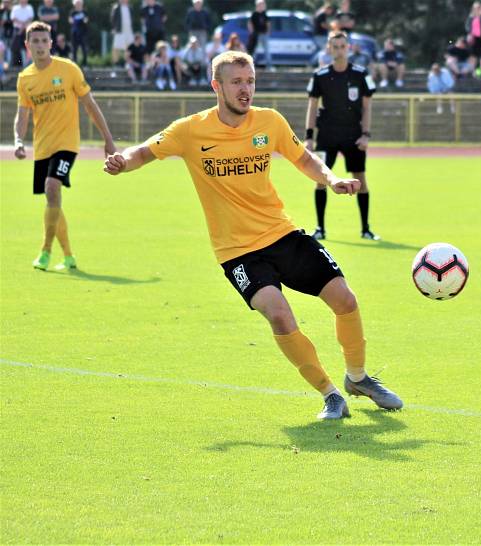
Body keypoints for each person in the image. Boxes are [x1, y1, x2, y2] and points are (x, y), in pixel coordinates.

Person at [103, 50, 402, 420]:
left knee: (346, 299)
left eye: (250, 81)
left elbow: (304, 159)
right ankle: (330, 394)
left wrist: (332, 179)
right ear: (217, 86)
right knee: (279, 315)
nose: (246, 90)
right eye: (237, 83)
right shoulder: (190, 129)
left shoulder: (269, 122)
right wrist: (122, 162)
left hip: (283, 233)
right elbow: (145, 152)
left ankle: (358, 378)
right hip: (237, 252)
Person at [14, 22, 115, 272]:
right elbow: (22, 114)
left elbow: (89, 104)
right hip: (42, 146)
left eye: (43, 40)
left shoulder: (68, 69)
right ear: (27, 46)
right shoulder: (25, 78)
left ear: (51, 43)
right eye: (34, 41)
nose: (40, 45)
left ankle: (45, 251)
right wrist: (18, 140)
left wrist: (108, 138)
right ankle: (68, 256)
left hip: (67, 144)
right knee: (53, 199)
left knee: (52, 187)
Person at [306, 31, 378, 241]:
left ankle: (366, 229)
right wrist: (309, 136)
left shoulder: (360, 74)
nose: (339, 50)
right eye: (334, 46)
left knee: (361, 181)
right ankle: (320, 228)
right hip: (327, 135)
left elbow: (367, 107)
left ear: (348, 48)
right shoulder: (319, 75)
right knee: (320, 180)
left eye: (342, 46)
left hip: (353, 135)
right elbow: (312, 106)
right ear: (329, 49)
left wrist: (366, 135)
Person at [247, 0, 270, 69]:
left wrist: (268, 32)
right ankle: (251, 65)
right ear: (258, 5)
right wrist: (252, 32)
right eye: (262, 5)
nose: (263, 6)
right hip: (256, 35)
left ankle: (269, 66)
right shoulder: (254, 14)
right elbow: (249, 23)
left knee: (267, 50)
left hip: (264, 34)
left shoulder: (264, 14)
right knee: (254, 51)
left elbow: (268, 23)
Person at [110, 0, 134, 68]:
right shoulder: (116, 7)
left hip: (129, 30)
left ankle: (127, 62)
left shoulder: (130, 7)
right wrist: (114, 28)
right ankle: (116, 63)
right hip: (119, 30)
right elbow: (113, 19)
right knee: (116, 47)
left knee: (129, 47)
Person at [10, 0, 34, 67]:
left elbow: (30, 18)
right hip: (17, 30)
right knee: (14, 47)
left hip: (27, 30)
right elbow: (13, 18)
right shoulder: (15, 8)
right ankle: (15, 64)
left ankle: (28, 64)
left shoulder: (30, 7)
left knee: (28, 46)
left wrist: (22, 28)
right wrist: (21, 28)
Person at [68, 0, 88, 67]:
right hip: (74, 33)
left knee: (84, 48)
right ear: (74, 5)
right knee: (74, 48)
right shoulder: (72, 12)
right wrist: (79, 20)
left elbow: (86, 21)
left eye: (80, 4)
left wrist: (77, 20)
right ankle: (74, 62)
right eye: (77, 4)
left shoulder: (84, 12)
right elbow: (70, 21)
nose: (79, 5)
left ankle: (85, 63)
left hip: (83, 33)